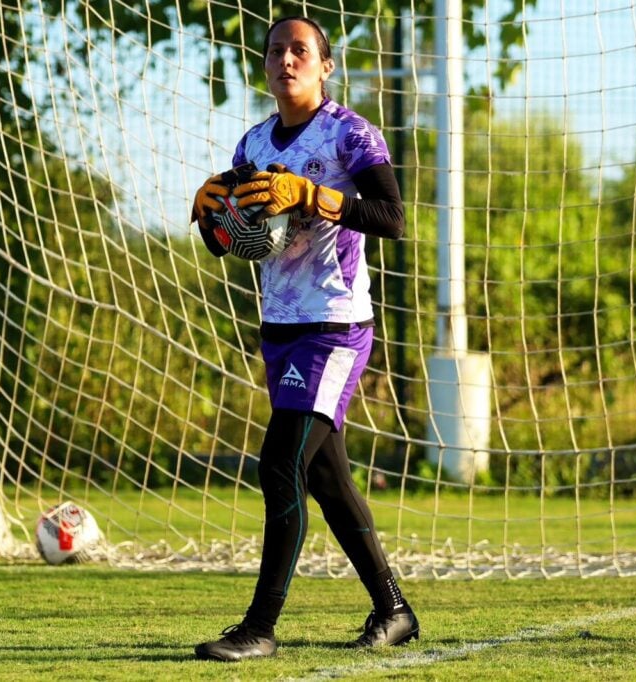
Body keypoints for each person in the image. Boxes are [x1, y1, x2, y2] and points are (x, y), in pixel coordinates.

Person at [190, 15, 418, 662]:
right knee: (326, 478)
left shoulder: (351, 133)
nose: (286, 59)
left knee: (279, 463)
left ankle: (259, 627)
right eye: (275, 51)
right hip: (280, 328)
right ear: (264, 66)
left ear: (325, 66)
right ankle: (394, 610)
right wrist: (210, 218)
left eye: (300, 50)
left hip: (336, 325)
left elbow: (392, 218)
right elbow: (239, 241)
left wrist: (316, 195)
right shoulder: (252, 145)